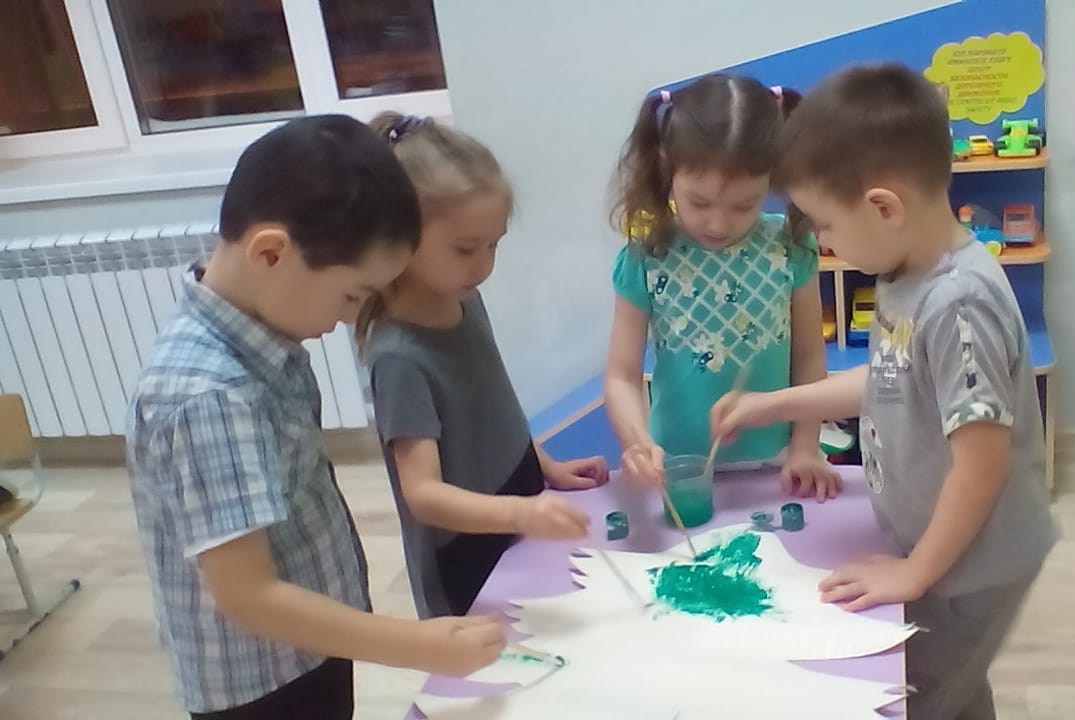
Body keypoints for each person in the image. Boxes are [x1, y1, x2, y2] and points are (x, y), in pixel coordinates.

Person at [127, 116, 506, 720]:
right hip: (261, 682)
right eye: (352, 295)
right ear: (270, 253)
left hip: (312, 642)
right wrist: (414, 644)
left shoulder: (264, 339)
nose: (349, 317)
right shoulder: (207, 395)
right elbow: (248, 596)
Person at [710, 64, 1057, 719]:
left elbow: (982, 465)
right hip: (938, 547)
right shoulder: (908, 272)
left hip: (972, 564)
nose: (822, 241)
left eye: (825, 224)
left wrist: (915, 572)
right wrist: (772, 405)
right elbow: (892, 379)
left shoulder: (958, 304)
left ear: (883, 207)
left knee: (919, 696)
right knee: (957, 688)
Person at [357, 113, 609, 619]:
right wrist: (521, 512)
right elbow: (424, 495)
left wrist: (544, 466)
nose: (484, 265)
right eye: (466, 249)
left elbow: (494, 410)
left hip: (518, 521)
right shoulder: (400, 358)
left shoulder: (465, 301)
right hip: (467, 560)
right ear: (399, 237)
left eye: (494, 245)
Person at [604, 74, 839, 500]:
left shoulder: (790, 246)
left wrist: (806, 447)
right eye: (699, 202)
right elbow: (621, 375)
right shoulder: (647, 256)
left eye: (743, 205)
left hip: (777, 462)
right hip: (678, 468)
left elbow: (809, 357)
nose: (717, 224)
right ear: (667, 168)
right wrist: (636, 442)